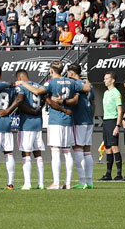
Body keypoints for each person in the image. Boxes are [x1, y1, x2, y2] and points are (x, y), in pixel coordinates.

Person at [19, 61, 83, 190]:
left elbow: (37, 91)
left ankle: (56, 182)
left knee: (55, 151)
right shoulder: (71, 82)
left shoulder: (51, 83)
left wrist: (23, 83)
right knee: (66, 151)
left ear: (52, 70)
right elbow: (80, 93)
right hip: (68, 120)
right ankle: (68, 183)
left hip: (56, 120)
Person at [14, 68, 46, 190]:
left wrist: (30, 111)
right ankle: (41, 183)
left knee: (26, 153)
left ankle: (27, 183)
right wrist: (39, 109)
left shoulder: (21, 87)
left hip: (26, 124)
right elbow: (44, 100)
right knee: (38, 153)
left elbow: (20, 101)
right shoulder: (38, 86)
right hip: (38, 124)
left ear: (19, 78)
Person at [65, 63, 95, 189]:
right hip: (88, 120)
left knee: (78, 149)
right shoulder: (89, 85)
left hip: (79, 120)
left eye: (68, 73)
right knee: (87, 151)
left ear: (72, 73)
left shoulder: (76, 84)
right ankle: (89, 181)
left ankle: (82, 182)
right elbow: (94, 102)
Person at [99, 71, 125, 181]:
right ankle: (108, 174)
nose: (104, 80)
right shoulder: (106, 93)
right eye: (104, 78)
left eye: (106, 78)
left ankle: (119, 174)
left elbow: (120, 111)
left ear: (112, 80)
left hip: (113, 121)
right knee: (107, 147)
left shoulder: (116, 93)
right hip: (106, 121)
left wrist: (117, 125)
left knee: (114, 147)